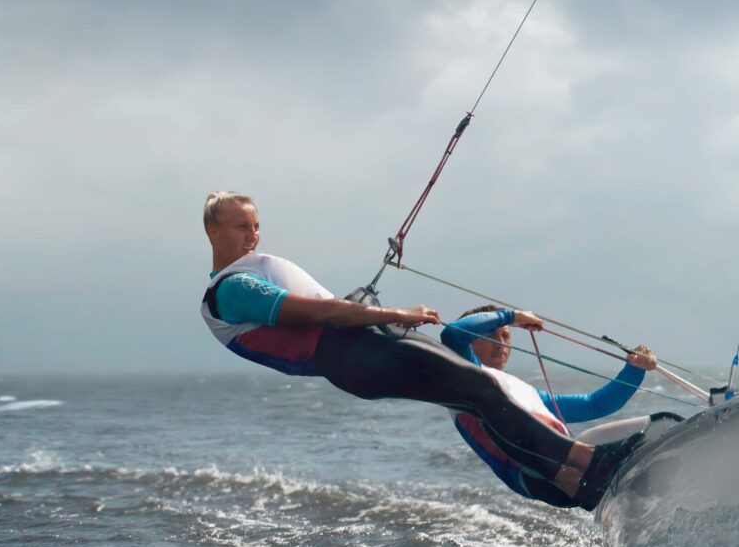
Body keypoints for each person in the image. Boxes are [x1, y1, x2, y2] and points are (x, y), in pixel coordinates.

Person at [194, 190, 637, 507]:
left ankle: (576, 483)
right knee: (482, 390)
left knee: (478, 395)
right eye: (241, 227)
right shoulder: (233, 289)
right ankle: (588, 463)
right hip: (355, 352)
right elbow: (322, 313)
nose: (252, 236)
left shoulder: (244, 277)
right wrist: (395, 314)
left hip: (359, 351)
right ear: (213, 231)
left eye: (256, 226)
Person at [440, 306, 660, 506]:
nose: (500, 343)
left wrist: (635, 369)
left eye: (505, 335)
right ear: (470, 342)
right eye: (489, 335)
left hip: (575, 470)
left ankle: (644, 496)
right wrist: (512, 316)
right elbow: (452, 334)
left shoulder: (523, 391)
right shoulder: (466, 375)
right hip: (541, 478)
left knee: (658, 426)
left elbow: (596, 405)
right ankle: (606, 468)